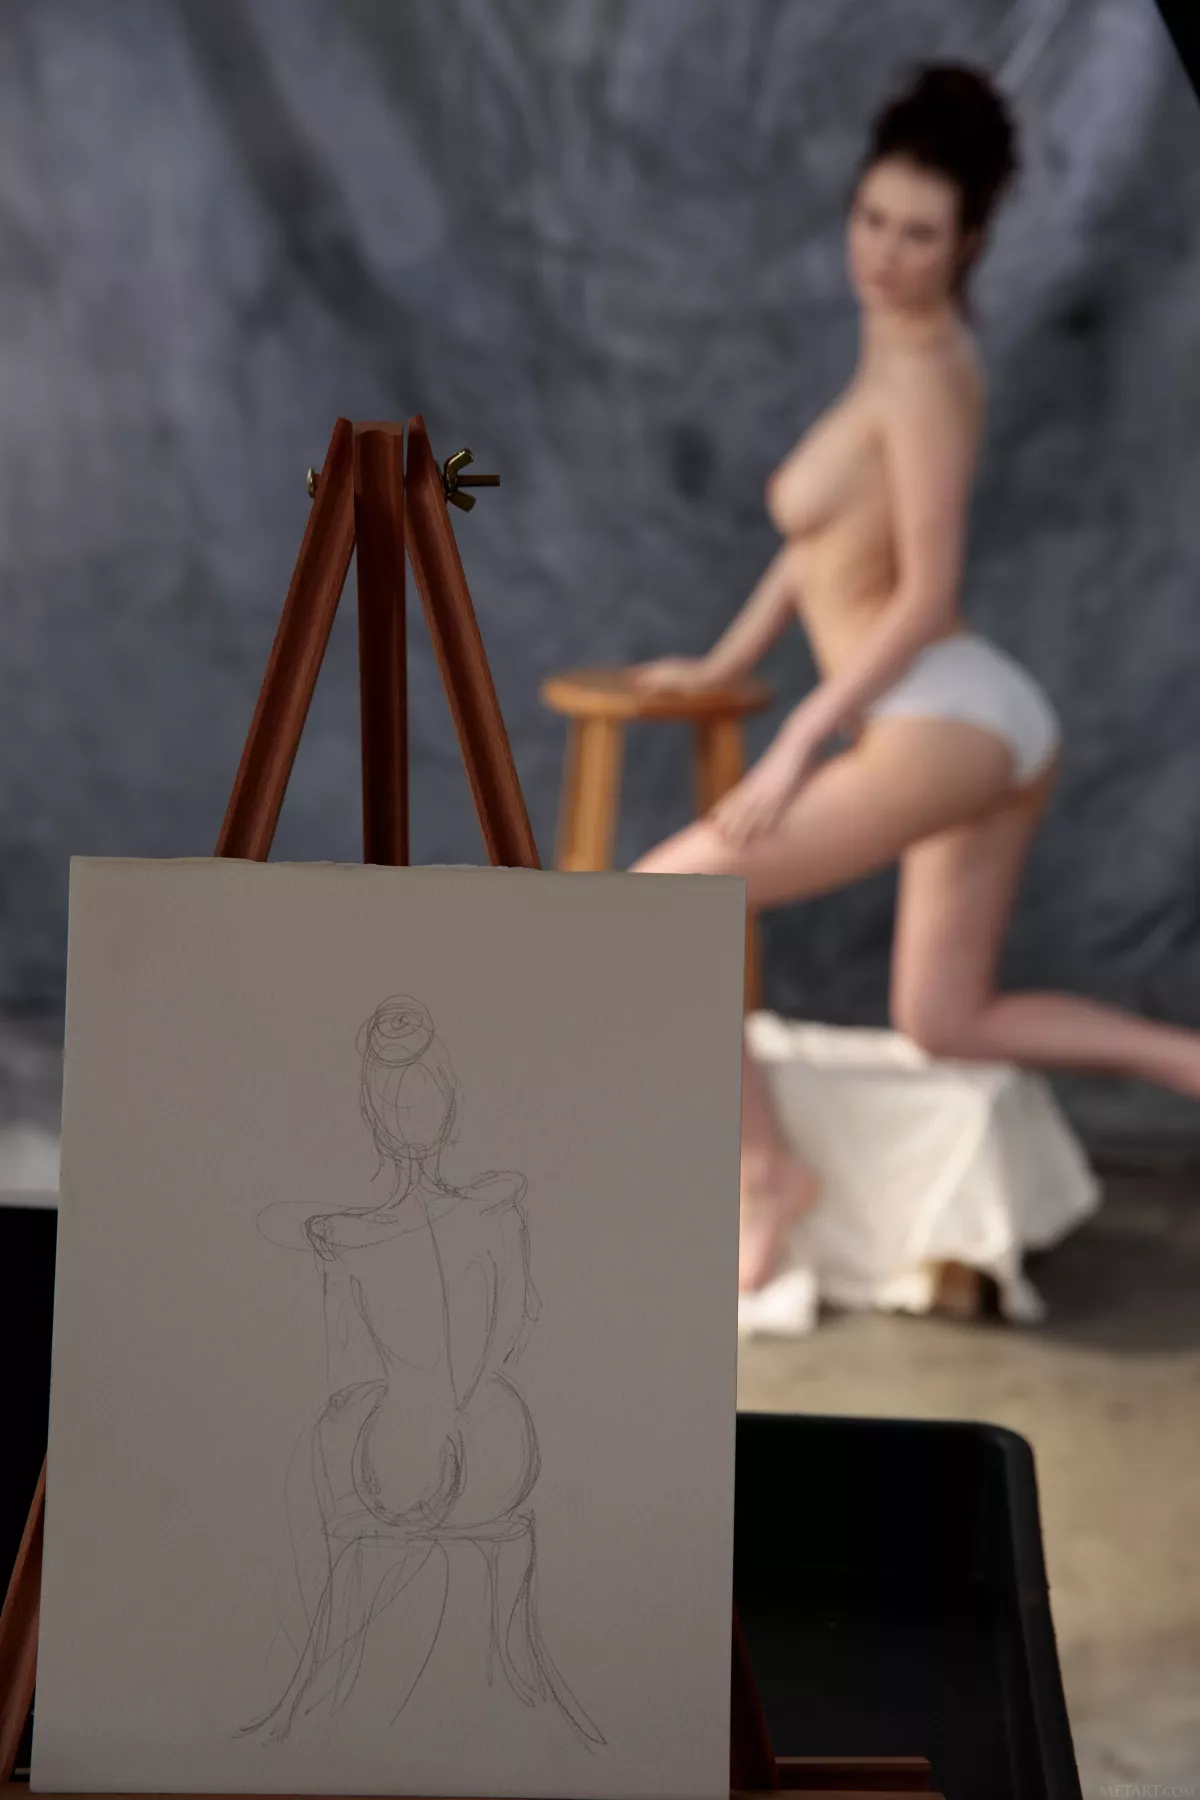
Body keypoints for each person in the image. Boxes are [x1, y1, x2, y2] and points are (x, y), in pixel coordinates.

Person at [629, 63, 1200, 1295]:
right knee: (943, 1018)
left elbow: (925, 594)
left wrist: (801, 740)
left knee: (666, 902)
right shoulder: (888, 350)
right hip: (966, 717)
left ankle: (767, 1176)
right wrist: (725, 662)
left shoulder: (931, 376)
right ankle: (1188, 1062)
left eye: (919, 235)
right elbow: (823, 546)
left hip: (940, 708)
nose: (885, 255)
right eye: (872, 220)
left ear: (970, 245)